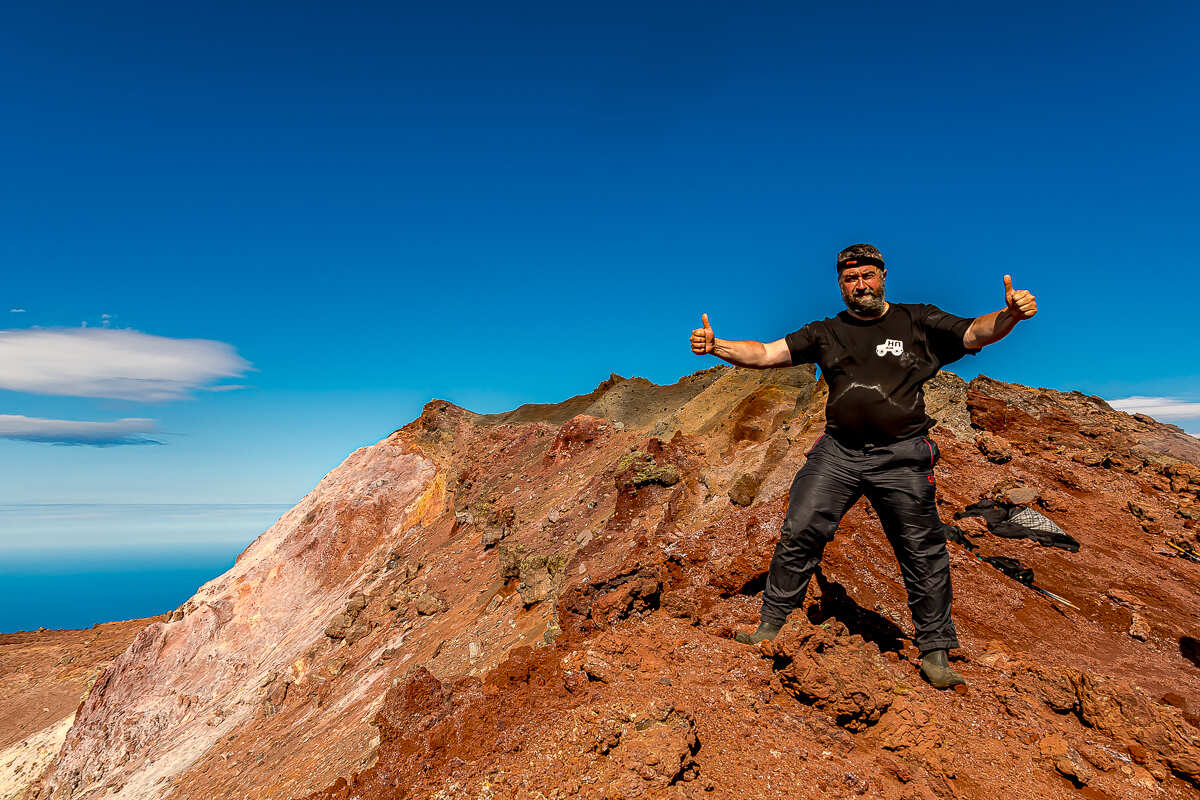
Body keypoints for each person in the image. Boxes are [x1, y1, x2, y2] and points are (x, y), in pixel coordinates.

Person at [688, 243, 1037, 688]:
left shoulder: (918, 321)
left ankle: (935, 653)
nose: (860, 285)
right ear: (840, 284)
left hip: (901, 455)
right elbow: (766, 353)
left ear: (883, 276)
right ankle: (771, 626)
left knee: (922, 549)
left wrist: (1009, 315)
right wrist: (717, 345)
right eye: (850, 279)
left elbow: (974, 332)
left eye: (867, 275)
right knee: (800, 527)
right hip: (839, 452)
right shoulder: (827, 332)